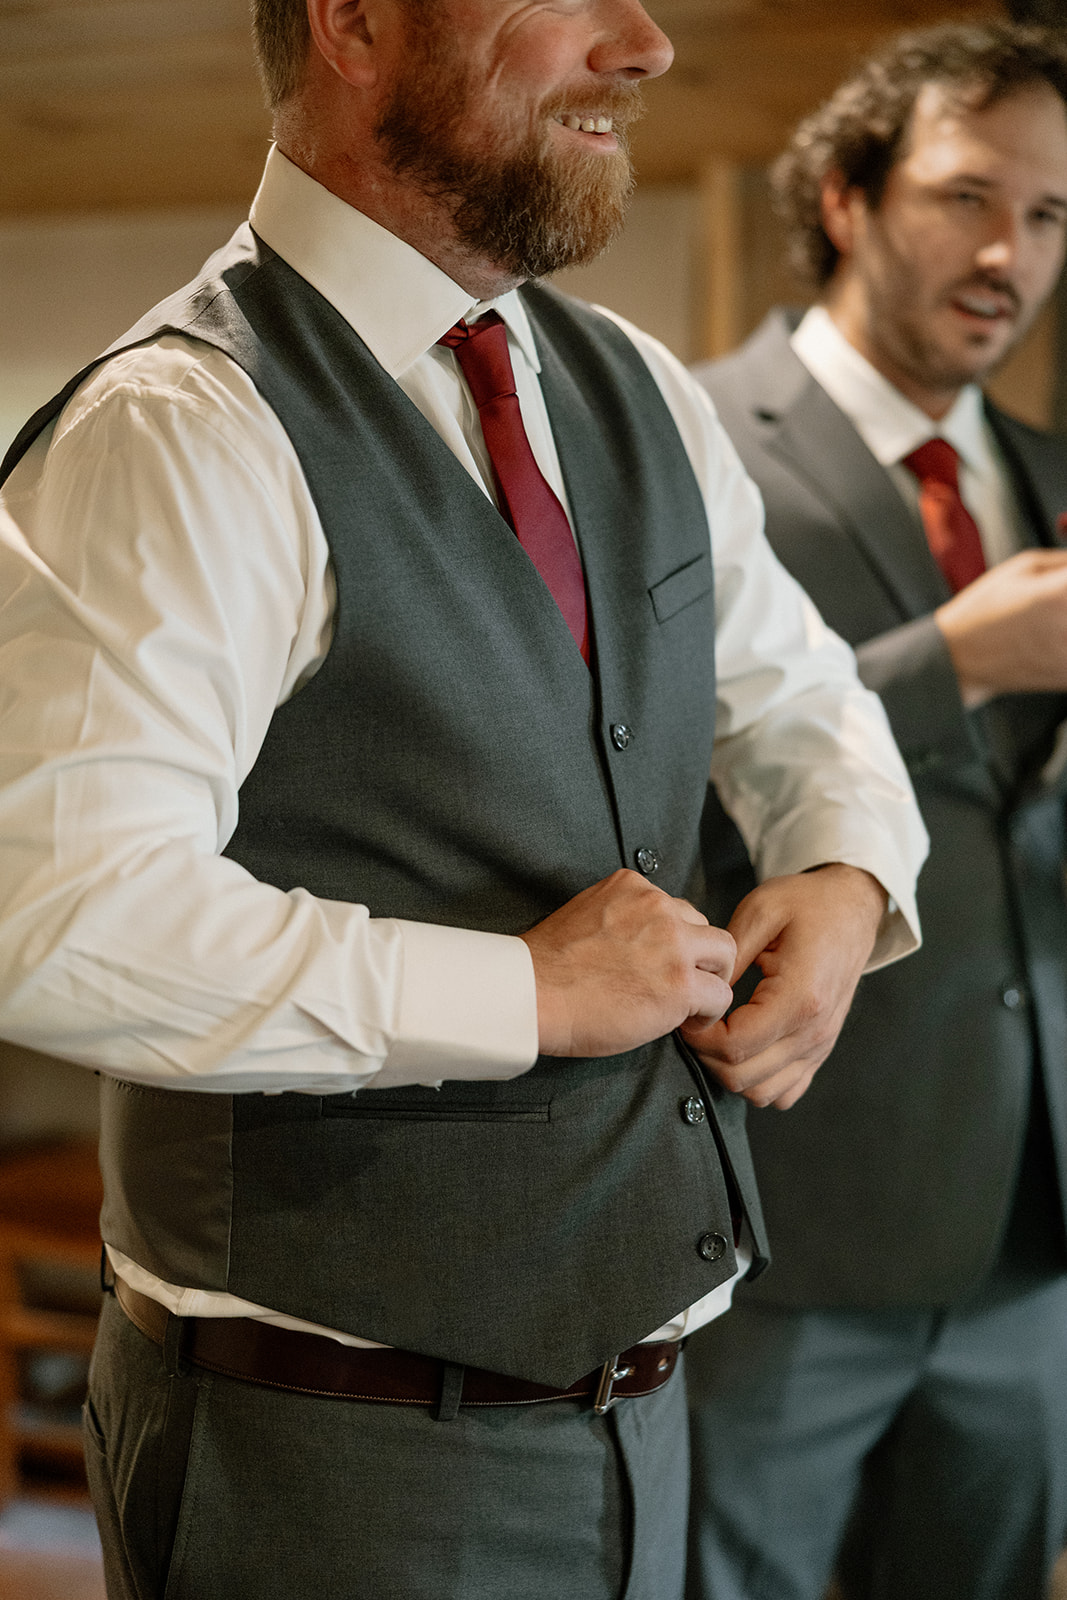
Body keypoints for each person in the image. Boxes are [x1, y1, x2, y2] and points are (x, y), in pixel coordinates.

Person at [0, 3, 925, 1597]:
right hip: (332, 1463)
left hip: (647, 1424)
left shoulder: (632, 383)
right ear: (356, 19)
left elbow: (797, 689)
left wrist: (845, 874)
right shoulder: (182, 426)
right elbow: (56, 912)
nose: (644, 46)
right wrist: (524, 992)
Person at [687, 21, 1067, 1600]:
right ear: (846, 196)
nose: (1008, 254)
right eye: (967, 197)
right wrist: (949, 665)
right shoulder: (685, 437)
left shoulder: (1050, 469)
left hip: (1035, 1237)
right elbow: (634, 781)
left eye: (1049, 217)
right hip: (795, 1213)